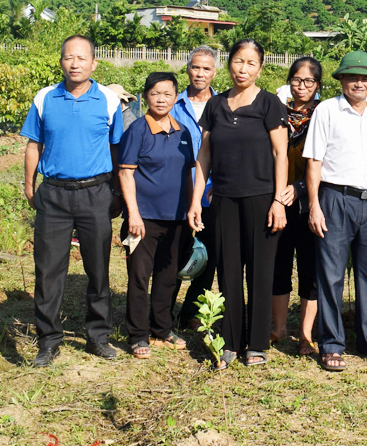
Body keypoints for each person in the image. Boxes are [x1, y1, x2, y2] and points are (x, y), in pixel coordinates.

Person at [22, 35, 124, 366]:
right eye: (69, 57)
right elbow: (34, 145)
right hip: (53, 193)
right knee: (48, 270)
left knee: (98, 268)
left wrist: (117, 193)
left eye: (82, 58)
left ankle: (98, 336)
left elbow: (116, 149)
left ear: (94, 63)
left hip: (95, 193)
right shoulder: (45, 98)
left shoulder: (109, 101)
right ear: (61, 61)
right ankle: (48, 340)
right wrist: (29, 186)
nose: (75, 63)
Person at [188, 39, 290, 369]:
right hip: (224, 200)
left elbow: (280, 154)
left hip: (262, 199)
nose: (242, 69)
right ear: (228, 64)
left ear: (260, 68)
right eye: (237, 61)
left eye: (250, 63)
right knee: (229, 270)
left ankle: (257, 343)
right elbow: (204, 155)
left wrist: (278, 200)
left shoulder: (270, 104)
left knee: (260, 272)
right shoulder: (216, 106)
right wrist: (196, 200)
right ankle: (230, 341)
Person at [303, 50, 367, 372]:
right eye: (352, 77)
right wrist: (315, 206)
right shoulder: (328, 111)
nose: (359, 83)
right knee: (330, 275)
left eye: (366, 78)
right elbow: (314, 163)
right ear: (341, 80)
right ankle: (331, 344)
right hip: (335, 199)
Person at [118, 72, 194, 358]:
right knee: (139, 276)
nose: (161, 99)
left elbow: (187, 173)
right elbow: (125, 173)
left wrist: (190, 209)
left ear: (176, 97)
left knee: (168, 275)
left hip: (176, 218)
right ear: (146, 96)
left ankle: (162, 329)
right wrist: (133, 214)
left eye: (167, 94)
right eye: (155, 94)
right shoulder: (137, 130)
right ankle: (138, 335)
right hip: (144, 219)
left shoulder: (182, 132)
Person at [271, 57, 323, 356]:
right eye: (296, 80)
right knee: (278, 266)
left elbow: (328, 161)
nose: (301, 86)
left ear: (317, 86)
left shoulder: (325, 114)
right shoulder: (276, 113)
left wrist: (300, 187)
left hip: (311, 205)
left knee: (309, 269)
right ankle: (278, 327)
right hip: (278, 202)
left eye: (308, 81)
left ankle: (305, 334)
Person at [171, 46, 219, 330]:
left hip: (211, 194)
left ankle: (190, 311)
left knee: (207, 256)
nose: (200, 73)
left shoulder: (224, 105)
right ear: (187, 68)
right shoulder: (172, 104)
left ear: (215, 72)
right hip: (177, 192)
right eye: (195, 67)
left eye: (206, 68)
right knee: (176, 253)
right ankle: (164, 311)